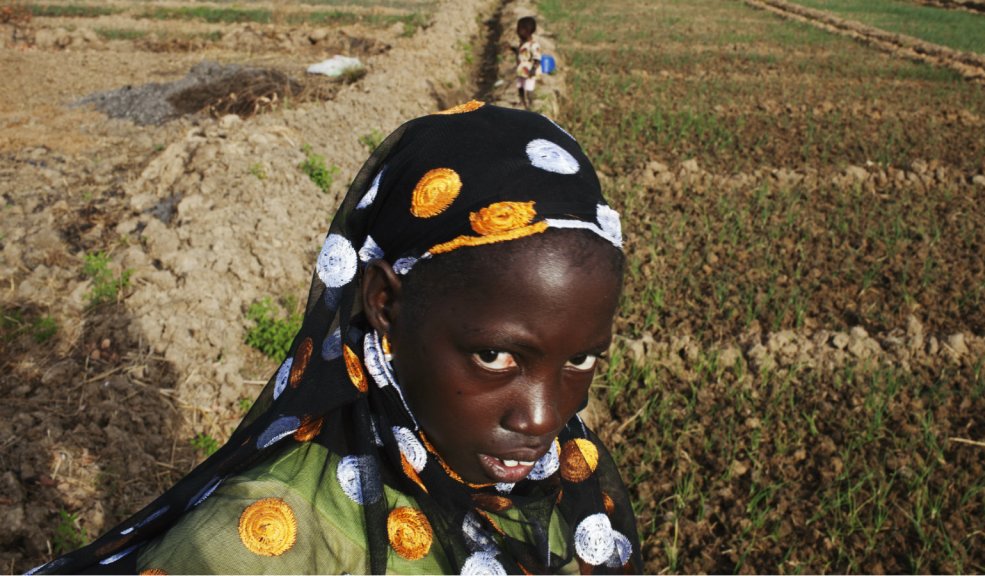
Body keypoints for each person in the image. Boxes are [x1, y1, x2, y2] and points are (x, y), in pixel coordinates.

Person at [32, 101, 641, 575]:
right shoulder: (259, 546)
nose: (543, 418)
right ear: (385, 303)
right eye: (493, 355)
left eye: (580, 359)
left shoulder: (559, 493)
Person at [514, 17, 542, 110]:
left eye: (519, 29)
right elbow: (522, 54)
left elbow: (537, 58)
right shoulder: (522, 43)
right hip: (521, 71)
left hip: (529, 72)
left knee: (529, 88)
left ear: (526, 31)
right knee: (520, 86)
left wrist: (533, 70)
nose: (517, 31)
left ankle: (531, 104)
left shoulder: (534, 45)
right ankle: (522, 102)